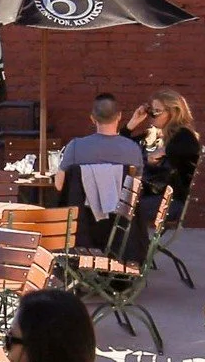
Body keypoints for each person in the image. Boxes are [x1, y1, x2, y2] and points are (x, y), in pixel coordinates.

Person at [53, 93, 145, 247]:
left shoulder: (75, 147)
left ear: (92, 118)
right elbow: (136, 189)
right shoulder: (133, 149)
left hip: (81, 228)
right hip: (119, 230)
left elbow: (59, 185)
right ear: (119, 116)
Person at [125, 88, 201, 210]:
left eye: (157, 111)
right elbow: (120, 147)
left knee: (122, 207)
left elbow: (190, 148)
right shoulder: (153, 134)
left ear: (173, 113)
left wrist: (164, 150)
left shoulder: (183, 134)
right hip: (148, 193)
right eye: (151, 111)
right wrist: (132, 124)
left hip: (169, 200)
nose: (152, 116)